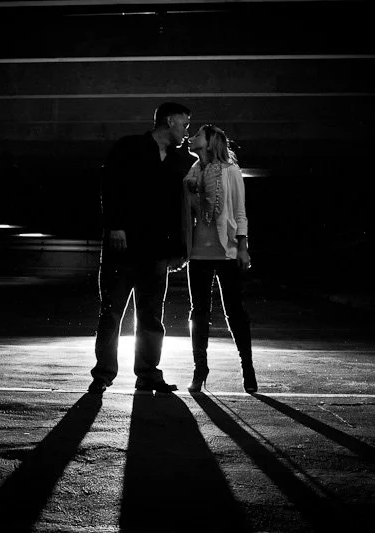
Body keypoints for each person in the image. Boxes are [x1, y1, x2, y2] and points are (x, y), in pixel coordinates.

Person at [88, 102, 196, 394]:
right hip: (123, 247)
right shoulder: (129, 147)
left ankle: (147, 373)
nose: (187, 130)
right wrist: (115, 226)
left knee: (151, 316)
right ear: (170, 121)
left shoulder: (179, 161)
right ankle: (103, 374)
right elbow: (110, 187)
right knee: (112, 313)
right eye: (185, 124)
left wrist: (178, 250)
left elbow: (179, 209)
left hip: (157, 252)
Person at [182, 124, 257, 393]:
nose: (191, 138)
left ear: (211, 142)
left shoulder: (230, 172)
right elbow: (187, 214)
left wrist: (243, 247)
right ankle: (199, 369)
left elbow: (240, 212)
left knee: (234, 310)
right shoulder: (190, 175)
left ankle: (246, 365)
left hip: (227, 251)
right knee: (198, 311)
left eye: (198, 135)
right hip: (198, 252)